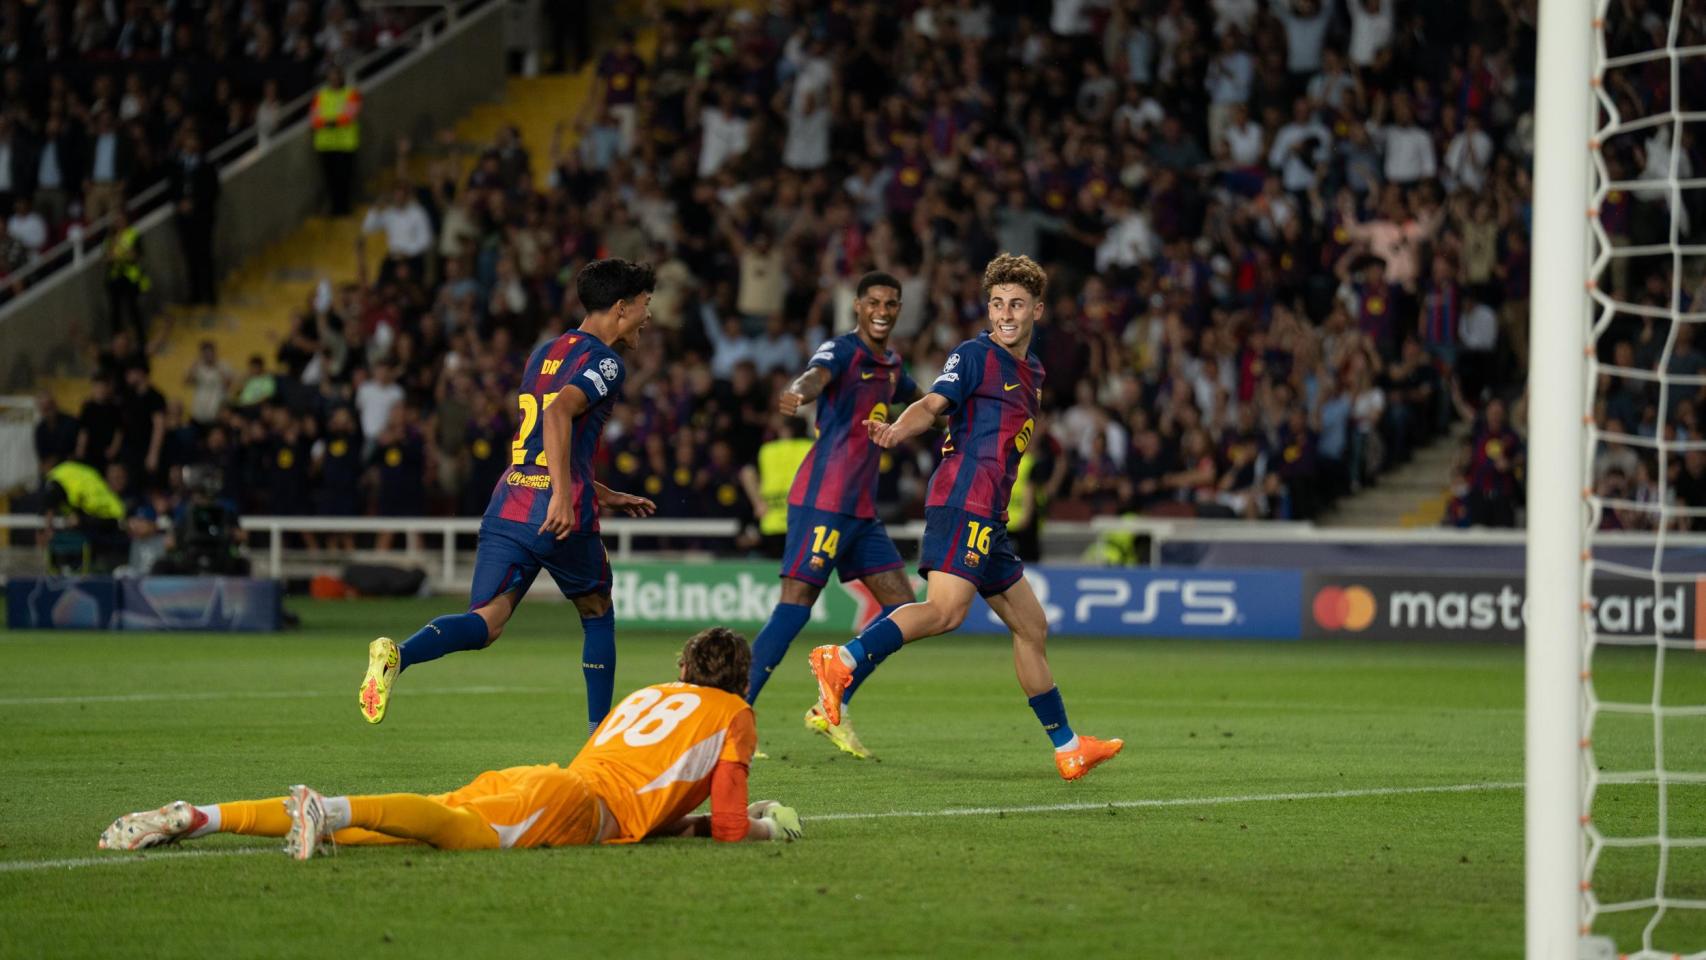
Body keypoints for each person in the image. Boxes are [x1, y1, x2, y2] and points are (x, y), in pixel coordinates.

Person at [807, 254, 1123, 781]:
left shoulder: (1034, 371)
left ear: (1036, 310)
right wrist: (896, 430)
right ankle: (842, 661)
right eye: (997, 303)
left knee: (1032, 627)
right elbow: (932, 403)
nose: (1005, 313)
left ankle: (1069, 747)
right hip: (964, 498)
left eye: (1016, 304)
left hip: (991, 515)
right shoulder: (975, 354)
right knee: (946, 612)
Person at [100, 627, 803, 858]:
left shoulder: (648, 695)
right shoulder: (734, 715)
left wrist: (691, 822)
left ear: (682, 670)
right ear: (740, 682)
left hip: (545, 781)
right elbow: (732, 827)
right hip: (572, 807)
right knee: (454, 835)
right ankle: (330, 806)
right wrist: (767, 828)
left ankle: (199, 817)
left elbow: (661, 804)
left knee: (413, 829)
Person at [358, 259, 658, 732]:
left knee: (487, 622)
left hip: (512, 499)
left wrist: (603, 492)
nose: (649, 316)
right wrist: (566, 495)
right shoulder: (605, 362)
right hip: (558, 511)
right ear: (621, 307)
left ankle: (399, 654)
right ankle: (600, 741)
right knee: (598, 612)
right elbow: (558, 415)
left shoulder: (545, 353)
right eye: (645, 306)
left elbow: (542, 441)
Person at [745, 271, 921, 759]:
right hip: (823, 498)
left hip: (861, 509)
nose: (882, 309)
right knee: (796, 605)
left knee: (904, 609)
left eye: (891, 302)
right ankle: (733, 717)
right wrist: (800, 393)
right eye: (873, 302)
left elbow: (923, 398)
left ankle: (830, 704)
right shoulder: (842, 351)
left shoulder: (891, 365)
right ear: (858, 307)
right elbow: (815, 375)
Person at [311, 65, 361, 217]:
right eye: (331, 76)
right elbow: (315, 118)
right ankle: (334, 208)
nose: (334, 79)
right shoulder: (320, 95)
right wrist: (333, 122)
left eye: (336, 75)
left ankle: (345, 209)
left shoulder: (352, 93)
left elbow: (349, 115)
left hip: (346, 144)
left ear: (341, 77)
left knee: (345, 178)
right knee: (330, 179)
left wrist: (329, 123)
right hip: (326, 145)